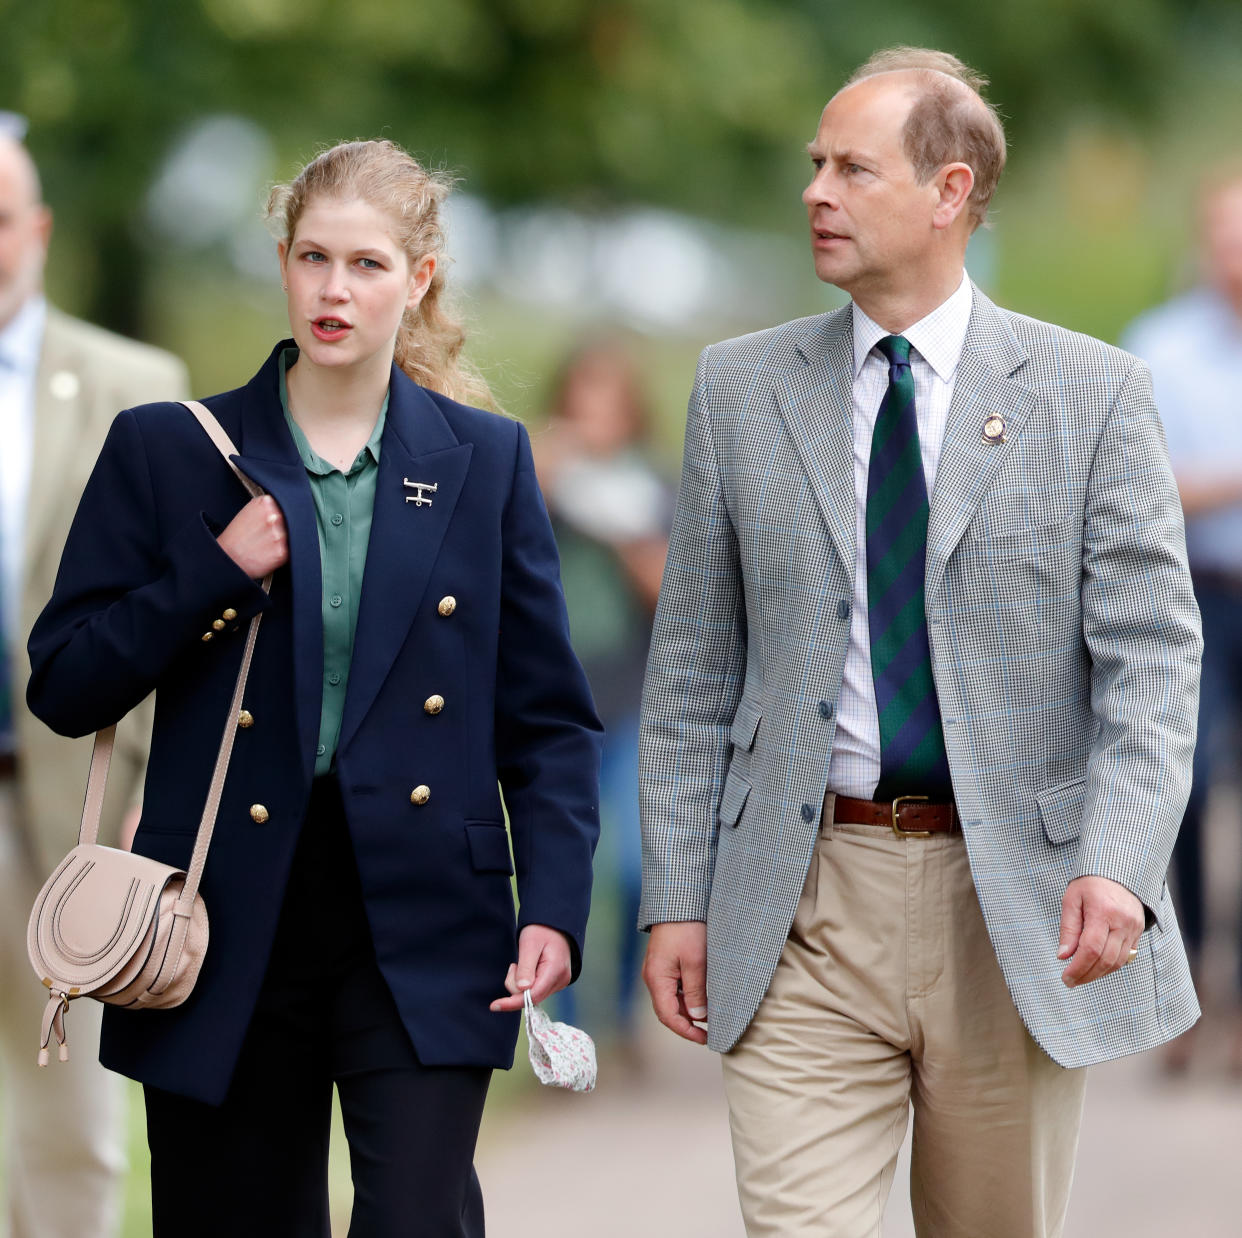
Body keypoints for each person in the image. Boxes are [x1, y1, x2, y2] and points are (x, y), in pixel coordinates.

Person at [638, 47, 1201, 1238]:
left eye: (852, 167)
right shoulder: (738, 389)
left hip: (1013, 907)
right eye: (813, 166)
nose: (816, 193)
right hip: (800, 899)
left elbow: (1153, 657)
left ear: (950, 191)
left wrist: (1121, 854)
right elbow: (692, 669)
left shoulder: (1093, 394)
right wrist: (677, 893)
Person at [26, 138, 602, 1237]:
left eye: (369, 264)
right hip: (219, 911)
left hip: (430, 908)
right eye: (313, 257)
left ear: (419, 277)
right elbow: (65, 680)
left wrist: (557, 908)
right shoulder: (168, 449)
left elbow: (547, 720)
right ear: (283, 265)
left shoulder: (487, 460)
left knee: (419, 1219)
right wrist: (215, 564)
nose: (336, 290)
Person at [0, 118, 187, 1238]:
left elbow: (174, 614)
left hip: (68, 804)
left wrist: (137, 803)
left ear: (40, 228)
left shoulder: (134, 384)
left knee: (72, 1116)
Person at [1123, 168, 1242, 1074]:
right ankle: (1189, 984)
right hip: (1192, 590)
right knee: (1182, 785)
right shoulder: (1157, 347)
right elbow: (1147, 486)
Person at [532, 339, 671, 1044]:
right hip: (556, 706)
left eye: (608, 402)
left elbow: (672, 594)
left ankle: (619, 1012)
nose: (594, 416)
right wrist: (549, 478)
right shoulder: (540, 483)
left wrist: (618, 526)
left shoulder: (653, 491)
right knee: (566, 866)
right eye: (582, 400)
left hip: (632, 700)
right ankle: (566, 1024)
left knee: (631, 867)